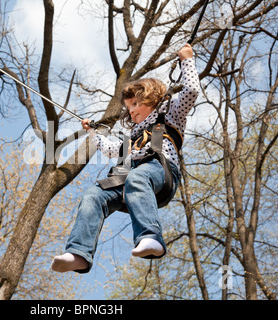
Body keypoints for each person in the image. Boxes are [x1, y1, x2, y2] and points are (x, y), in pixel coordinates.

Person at [51, 44, 200, 273]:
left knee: (138, 177)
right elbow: (112, 150)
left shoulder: (170, 114)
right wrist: (93, 132)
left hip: (160, 171)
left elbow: (191, 92)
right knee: (94, 194)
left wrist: (187, 60)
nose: (130, 111)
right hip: (128, 178)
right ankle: (79, 253)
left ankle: (150, 237)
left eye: (135, 104)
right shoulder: (133, 135)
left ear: (152, 98)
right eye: (128, 107)